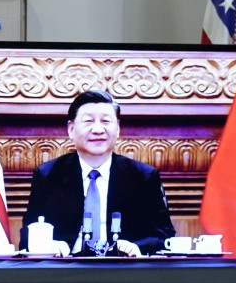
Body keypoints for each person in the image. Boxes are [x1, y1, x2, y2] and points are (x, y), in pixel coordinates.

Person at [20, 90, 175, 256]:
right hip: (65, 270)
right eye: (88, 121)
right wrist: (52, 246)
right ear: (71, 129)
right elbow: (28, 235)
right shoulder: (48, 175)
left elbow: (164, 235)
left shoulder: (143, 176)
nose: (98, 129)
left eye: (106, 121)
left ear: (118, 129)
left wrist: (137, 247)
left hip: (124, 271)